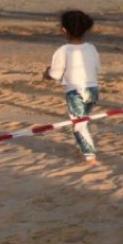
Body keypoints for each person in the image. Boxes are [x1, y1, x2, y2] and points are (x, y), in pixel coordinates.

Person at [43, 9, 101, 165]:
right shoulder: (91, 48)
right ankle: (81, 148)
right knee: (83, 121)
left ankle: (90, 156)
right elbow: (96, 67)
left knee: (78, 123)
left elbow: (55, 74)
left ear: (64, 30)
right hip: (93, 89)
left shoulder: (63, 51)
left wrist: (46, 73)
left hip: (76, 92)